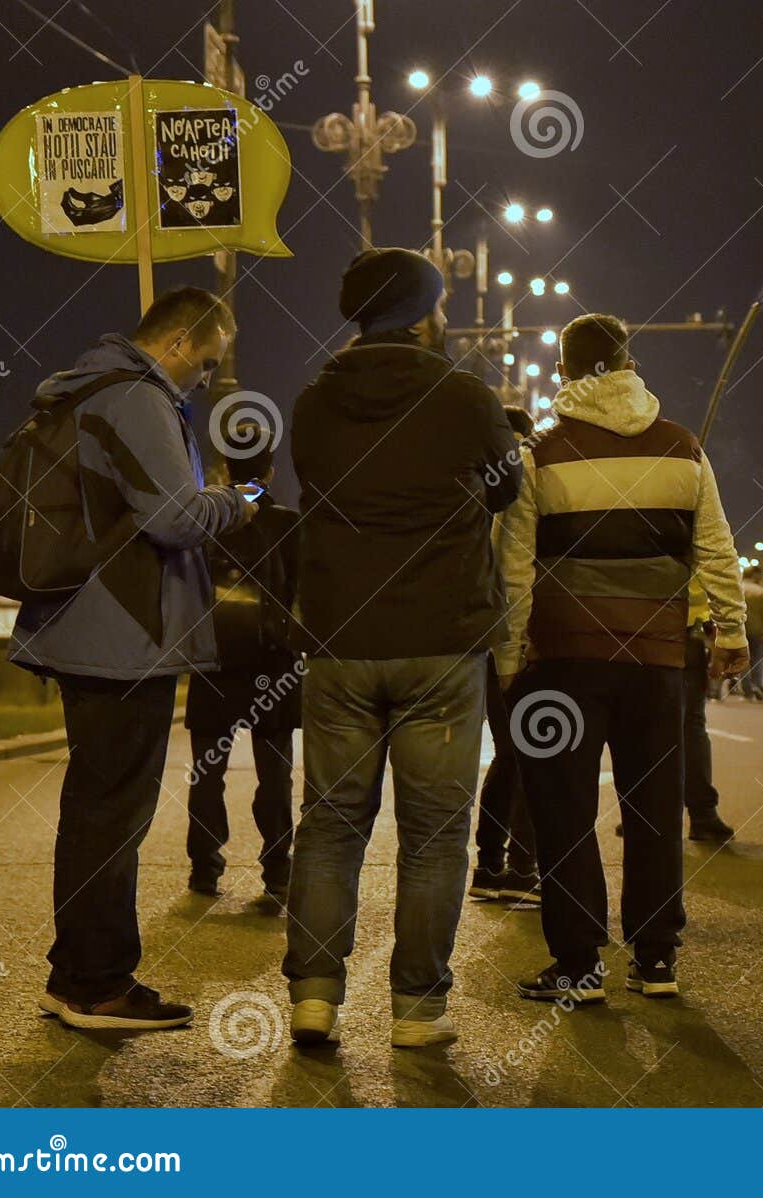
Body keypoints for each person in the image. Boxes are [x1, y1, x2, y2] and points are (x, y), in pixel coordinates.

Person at [282, 248, 520, 1048]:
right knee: (435, 832)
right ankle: (418, 1010)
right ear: (424, 314)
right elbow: (506, 488)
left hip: (341, 639)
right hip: (441, 642)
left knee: (329, 824)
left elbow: (312, 485)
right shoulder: (464, 397)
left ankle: (315, 994)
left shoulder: (313, 402)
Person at [12, 286, 255, 1031]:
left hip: (90, 630)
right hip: (122, 640)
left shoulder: (86, 389)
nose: (206, 378)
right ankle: (98, 985)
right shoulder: (135, 399)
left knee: (95, 810)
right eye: (206, 363)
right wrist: (235, 500)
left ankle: (77, 974)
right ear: (179, 341)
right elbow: (176, 517)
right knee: (112, 816)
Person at [497, 313, 748, 1002]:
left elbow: (514, 569)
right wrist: (731, 631)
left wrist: (508, 654)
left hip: (564, 663)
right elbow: (717, 547)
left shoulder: (538, 456)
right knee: (654, 807)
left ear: (564, 373)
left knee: (564, 809)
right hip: (660, 663)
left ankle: (579, 965)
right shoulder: (683, 449)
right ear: (631, 364)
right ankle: (657, 956)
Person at [185, 423, 301, 906]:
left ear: (226, 467)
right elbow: (301, 597)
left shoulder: (205, 520)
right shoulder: (290, 524)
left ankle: (205, 867)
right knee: (274, 773)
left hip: (214, 662)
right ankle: (277, 870)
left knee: (207, 770)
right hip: (273, 665)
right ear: (271, 469)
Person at [471, 406, 543, 906]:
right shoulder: (495, 498)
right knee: (526, 754)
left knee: (514, 753)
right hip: (502, 642)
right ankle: (515, 866)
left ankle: (496, 862)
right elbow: (514, 575)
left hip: (495, 641)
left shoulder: (480, 493)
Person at [682, 577, 739, 843]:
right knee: (691, 727)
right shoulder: (695, 534)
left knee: (640, 724)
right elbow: (718, 574)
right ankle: (703, 815)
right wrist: (728, 636)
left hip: (625, 629)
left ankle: (641, 812)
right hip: (684, 633)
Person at [740, 565, 763, 700]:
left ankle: (746, 688)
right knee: (757, 659)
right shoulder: (760, 591)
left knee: (743, 659)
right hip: (756, 629)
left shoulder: (736, 589)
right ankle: (756, 684)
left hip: (740, 629)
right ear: (754, 575)